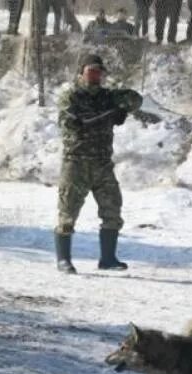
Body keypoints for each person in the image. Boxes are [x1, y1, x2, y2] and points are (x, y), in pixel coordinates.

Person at [54, 54, 143, 274]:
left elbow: (136, 100)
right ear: (81, 73)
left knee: (112, 210)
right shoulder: (71, 96)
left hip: (102, 164)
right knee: (67, 213)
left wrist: (121, 105)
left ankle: (108, 258)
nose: (95, 76)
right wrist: (107, 116)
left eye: (99, 72)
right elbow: (72, 123)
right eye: (90, 71)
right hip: (76, 163)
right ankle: (63, 260)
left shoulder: (107, 96)